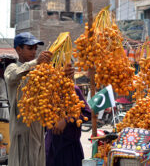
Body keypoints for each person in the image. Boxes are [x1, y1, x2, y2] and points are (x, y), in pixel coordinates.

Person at [4, 32, 52, 166]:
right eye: (30, 48)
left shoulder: (40, 72)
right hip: (21, 130)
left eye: (36, 49)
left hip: (37, 129)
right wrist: (36, 62)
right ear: (18, 49)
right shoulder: (12, 68)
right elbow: (12, 77)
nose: (34, 52)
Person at [45, 63, 91, 166]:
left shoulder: (74, 90)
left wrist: (67, 120)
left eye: (70, 71)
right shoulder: (47, 92)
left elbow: (87, 113)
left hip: (71, 148)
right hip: (52, 145)